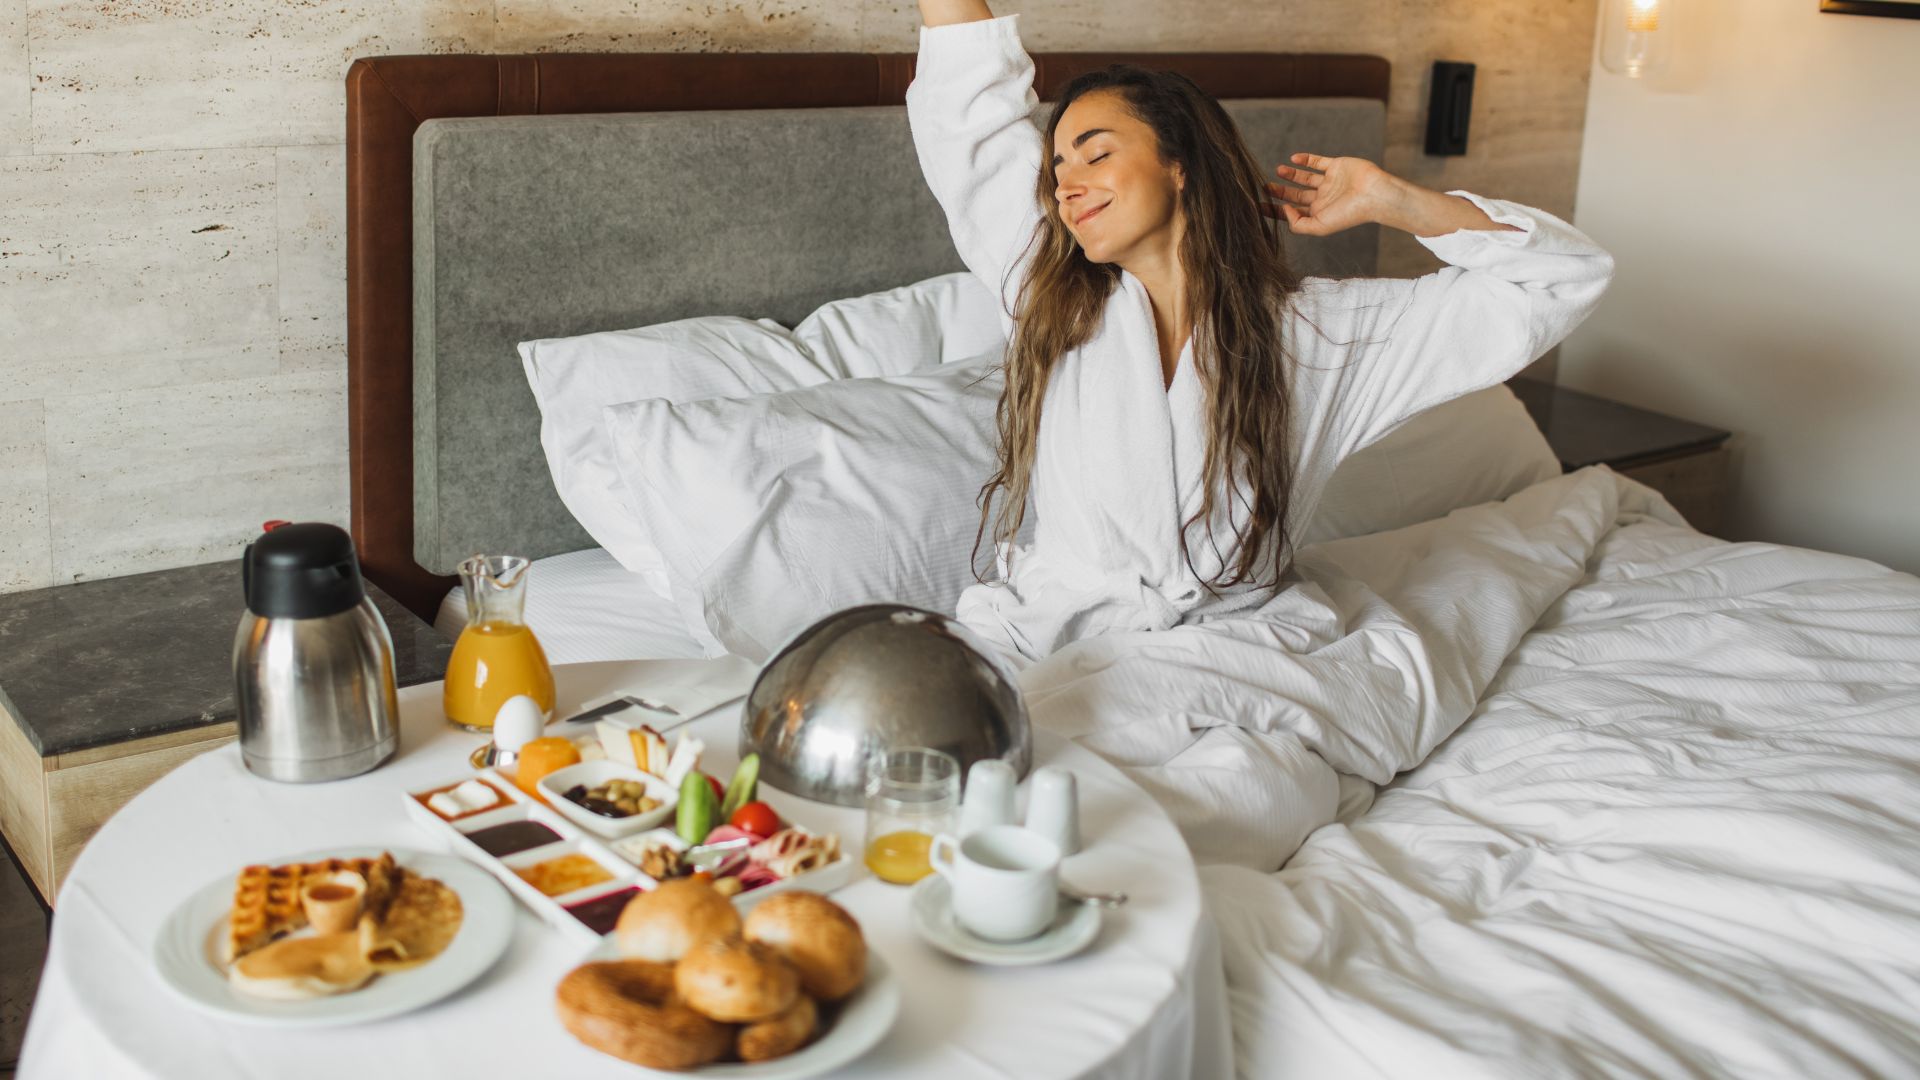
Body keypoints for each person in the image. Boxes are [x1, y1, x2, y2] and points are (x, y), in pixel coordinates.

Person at [906, 0, 1616, 665]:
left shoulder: (1315, 334)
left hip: (1240, 655)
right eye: (1057, 167)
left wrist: (1394, 201)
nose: (1066, 186)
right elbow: (971, 114)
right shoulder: (1051, 297)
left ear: (1179, 165)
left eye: (1096, 155)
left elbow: (1562, 278)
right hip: (1060, 642)